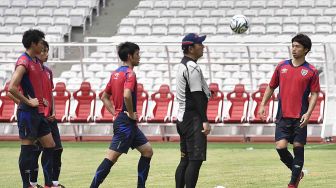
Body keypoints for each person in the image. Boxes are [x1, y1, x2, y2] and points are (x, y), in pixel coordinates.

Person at [258, 33, 320, 188]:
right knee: (280, 147)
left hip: (300, 117)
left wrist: (309, 113)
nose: (294, 49)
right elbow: (271, 87)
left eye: (297, 46)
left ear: (306, 50)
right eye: (293, 45)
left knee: (298, 148)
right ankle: (298, 172)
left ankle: (293, 183)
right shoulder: (281, 66)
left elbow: (314, 93)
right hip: (283, 116)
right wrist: (263, 104)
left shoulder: (311, 71)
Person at [90, 42, 153, 188]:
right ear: (130, 56)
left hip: (125, 122)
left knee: (147, 151)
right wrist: (130, 114)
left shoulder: (115, 74)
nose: (139, 57)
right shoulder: (130, 74)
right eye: (137, 54)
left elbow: (104, 96)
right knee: (111, 158)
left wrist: (115, 113)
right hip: (125, 123)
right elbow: (126, 95)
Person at [8, 29, 56, 188]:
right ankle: (26, 185)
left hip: (39, 113)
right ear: (34, 44)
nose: (43, 45)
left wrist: (40, 100)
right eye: (41, 42)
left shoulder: (36, 62)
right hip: (27, 113)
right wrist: (29, 102)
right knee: (27, 148)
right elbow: (12, 88)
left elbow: (34, 87)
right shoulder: (24, 61)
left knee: (50, 145)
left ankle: (48, 183)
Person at [175, 33, 211, 188]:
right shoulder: (192, 67)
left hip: (182, 118)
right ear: (191, 48)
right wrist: (205, 120)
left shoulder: (183, 64)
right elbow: (197, 96)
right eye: (199, 44)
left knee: (185, 159)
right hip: (193, 120)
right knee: (195, 161)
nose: (203, 47)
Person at [29, 40, 65, 188]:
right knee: (36, 151)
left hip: (50, 117)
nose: (45, 54)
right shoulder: (30, 70)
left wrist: (54, 110)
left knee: (57, 149)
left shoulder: (48, 72)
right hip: (37, 117)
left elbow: (50, 93)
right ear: (36, 51)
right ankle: (33, 182)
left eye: (47, 50)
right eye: (42, 51)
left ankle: (53, 183)